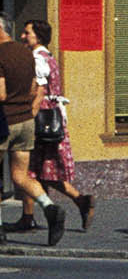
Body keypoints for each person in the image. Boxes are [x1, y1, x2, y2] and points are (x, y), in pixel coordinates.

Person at [15, 21, 94, 233]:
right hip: (52, 116)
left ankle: (30, 216)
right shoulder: (49, 56)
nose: (23, 36)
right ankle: (31, 214)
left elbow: (39, 91)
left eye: (27, 33)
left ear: (38, 36)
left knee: (31, 169)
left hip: (41, 117)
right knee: (40, 170)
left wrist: (28, 114)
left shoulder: (37, 59)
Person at [0, 16, 65, 245]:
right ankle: (50, 207)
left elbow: (1, 94)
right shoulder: (26, 53)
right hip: (26, 121)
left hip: (4, 120)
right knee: (20, 175)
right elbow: (35, 88)